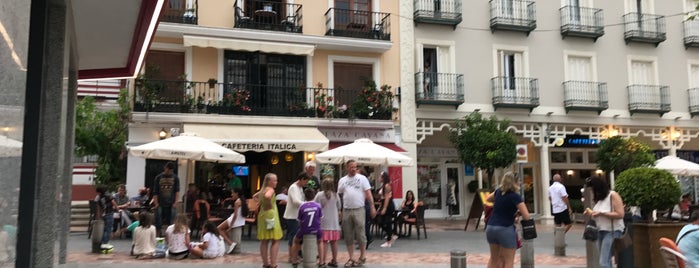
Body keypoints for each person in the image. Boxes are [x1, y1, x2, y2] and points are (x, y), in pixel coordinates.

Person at [485, 172, 531, 268]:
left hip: (491, 227)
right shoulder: (515, 196)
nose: (520, 182)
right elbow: (527, 216)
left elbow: (488, 199)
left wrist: (500, 205)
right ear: (514, 182)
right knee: (509, 261)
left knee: (494, 259)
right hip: (505, 228)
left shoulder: (498, 192)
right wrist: (517, 213)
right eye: (519, 180)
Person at [337, 160, 376, 267]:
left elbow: (368, 193)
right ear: (347, 168)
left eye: (355, 167)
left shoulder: (362, 178)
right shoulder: (342, 180)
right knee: (348, 234)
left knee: (360, 234)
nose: (353, 169)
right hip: (346, 210)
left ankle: (363, 256)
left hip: (359, 209)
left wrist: (372, 207)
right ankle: (351, 257)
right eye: (351, 167)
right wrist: (339, 210)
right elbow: (339, 196)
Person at [584, 176, 625, 268]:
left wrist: (601, 213)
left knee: (604, 261)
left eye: (594, 189)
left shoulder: (612, 195)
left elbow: (620, 214)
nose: (593, 192)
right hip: (600, 230)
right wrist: (591, 213)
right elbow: (598, 214)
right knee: (606, 259)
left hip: (612, 230)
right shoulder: (600, 199)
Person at [253, 173, 283, 268]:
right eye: (274, 180)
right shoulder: (270, 190)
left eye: (276, 180)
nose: (276, 182)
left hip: (262, 215)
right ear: (269, 181)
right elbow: (267, 196)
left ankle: (265, 263)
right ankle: (273, 264)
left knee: (264, 240)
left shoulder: (262, 190)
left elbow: (254, 196)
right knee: (275, 239)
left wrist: (260, 204)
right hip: (271, 215)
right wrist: (269, 205)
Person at [290, 188, 323, 266]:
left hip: (304, 229)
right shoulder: (318, 206)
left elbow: (299, 220)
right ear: (314, 196)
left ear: (305, 197)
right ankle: (321, 261)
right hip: (316, 229)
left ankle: (294, 260)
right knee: (320, 241)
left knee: (295, 241)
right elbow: (320, 218)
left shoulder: (302, 206)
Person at [283, 172, 310, 262]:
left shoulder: (300, 188)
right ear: (302, 179)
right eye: (305, 181)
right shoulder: (293, 187)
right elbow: (295, 201)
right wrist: (307, 204)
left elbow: (300, 200)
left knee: (298, 237)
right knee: (293, 236)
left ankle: (296, 256)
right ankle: (291, 257)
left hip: (298, 216)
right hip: (292, 216)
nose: (305, 184)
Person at [315, 178, 341, 268]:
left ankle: (322, 261)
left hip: (323, 222)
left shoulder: (319, 195)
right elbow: (339, 207)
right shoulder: (335, 195)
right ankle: (334, 260)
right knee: (334, 242)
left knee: (323, 242)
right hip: (334, 223)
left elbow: (316, 206)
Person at [153, 161, 180, 236]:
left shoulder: (175, 178)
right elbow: (155, 192)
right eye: (168, 170)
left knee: (172, 219)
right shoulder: (158, 177)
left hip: (171, 203)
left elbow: (177, 191)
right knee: (158, 218)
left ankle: (170, 234)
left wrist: (176, 202)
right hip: (160, 202)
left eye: (171, 171)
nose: (169, 172)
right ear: (165, 168)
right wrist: (156, 203)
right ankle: (158, 233)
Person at [218, 187, 248, 254]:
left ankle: (230, 243)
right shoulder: (243, 200)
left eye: (232, 193)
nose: (231, 194)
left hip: (234, 219)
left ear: (236, 193)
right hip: (239, 219)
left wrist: (231, 225)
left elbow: (235, 215)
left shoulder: (237, 202)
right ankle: (229, 241)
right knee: (223, 230)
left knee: (218, 229)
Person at [378, 171, 398, 248]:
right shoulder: (383, 186)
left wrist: (384, 208)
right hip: (384, 204)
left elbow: (387, 198)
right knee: (380, 221)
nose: (379, 178)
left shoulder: (387, 186)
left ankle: (389, 240)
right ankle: (391, 235)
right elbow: (382, 198)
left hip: (388, 205)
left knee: (387, 222)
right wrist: (380, 207)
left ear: (383, 178)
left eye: (380, 177)